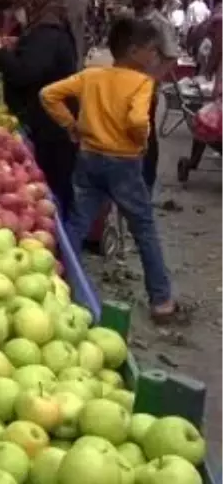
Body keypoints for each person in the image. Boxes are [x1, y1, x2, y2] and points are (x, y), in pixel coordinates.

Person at [40, 17, 184, 324]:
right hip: (125, 164)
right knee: (143, 230)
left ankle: (57, 281)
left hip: (89, 158)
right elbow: (136, 121)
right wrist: (141, 141)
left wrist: (71, 125)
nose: (156, 57)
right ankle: (161, 301)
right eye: (152, 51)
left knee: (77, 222)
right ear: (134, 51)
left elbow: (48, 95)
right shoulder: (142, 83)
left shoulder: (92, 76)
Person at [0, 0, 79, 209]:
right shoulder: (46, 28)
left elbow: (25, 73)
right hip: (51, 124)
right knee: (54, 188)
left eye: (21, 3)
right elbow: (36, 59)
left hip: (50, 128)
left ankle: (66, 236)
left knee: (54, 191)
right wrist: (17, 45)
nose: (17, 10)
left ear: (34, 1)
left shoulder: (47, 33)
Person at [128, 0, 180, 194]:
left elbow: (170, 56)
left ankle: (146, 184)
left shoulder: (160, 24)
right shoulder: (131, 19)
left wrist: (153, 80)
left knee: (146, 135)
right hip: (126, 85)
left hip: (145, 89)